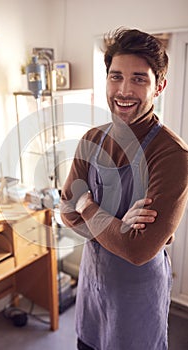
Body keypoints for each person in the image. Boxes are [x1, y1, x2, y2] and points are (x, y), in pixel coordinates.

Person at [60, 27, 188, 350]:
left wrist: (89, 208)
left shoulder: (172, 154)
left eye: (139, 79)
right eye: (116, 77)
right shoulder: (92, 139)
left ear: (159, 85)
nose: (124, 90)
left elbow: (138, 251)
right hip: (94, 286)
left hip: (137, 300)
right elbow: (65, 212)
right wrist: (119, 227)